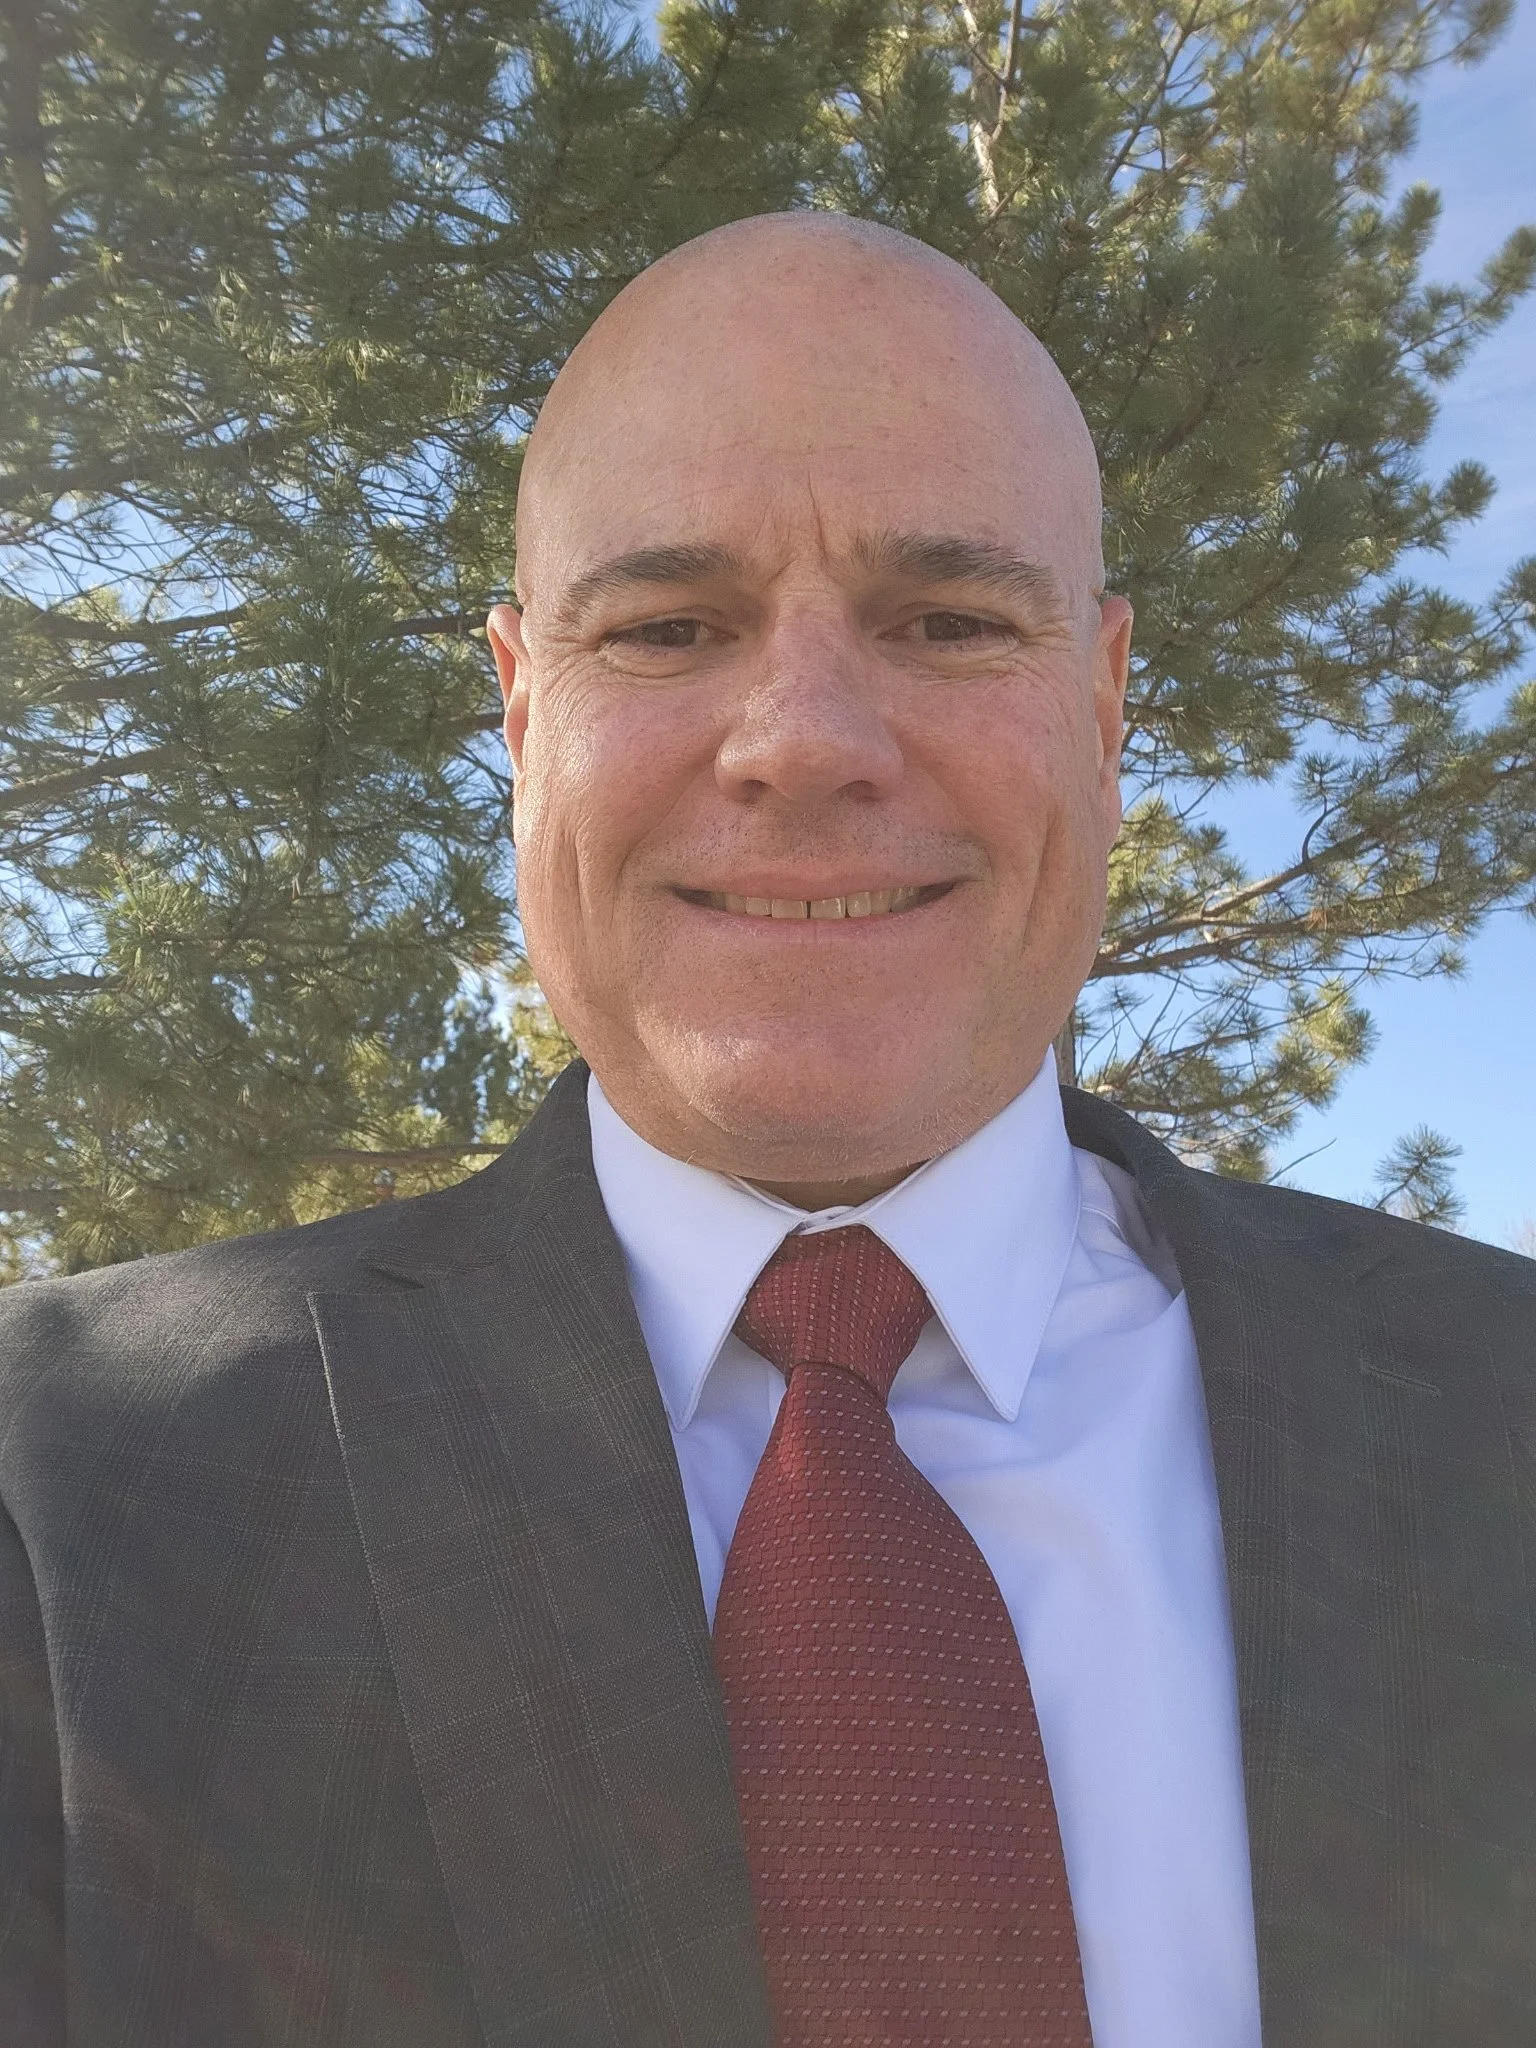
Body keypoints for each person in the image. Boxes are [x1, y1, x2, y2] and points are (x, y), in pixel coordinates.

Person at [0, 210, 1531, 2048]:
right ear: (518, 710)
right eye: (666, 627)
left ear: (1108, 705)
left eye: (951, 618)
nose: (803, 739)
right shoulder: (69, 1491)